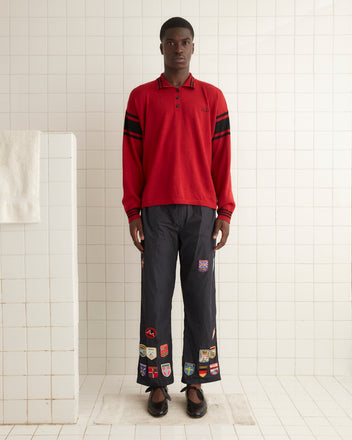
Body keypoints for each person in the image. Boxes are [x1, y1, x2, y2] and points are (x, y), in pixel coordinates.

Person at [122, 17, 235, 418]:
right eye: (171, 42)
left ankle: (196, 380)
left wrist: (225, 210)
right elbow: (131, 159)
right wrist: (133, 209)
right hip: (156, 213)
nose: (178, 49)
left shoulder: (212, 97)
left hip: (202, 213)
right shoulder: (140, 98)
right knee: (155, 294)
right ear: (161, 47)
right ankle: (157, 379)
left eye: (185, 42)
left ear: (193, 46)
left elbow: (221, 159)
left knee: (201, 298)